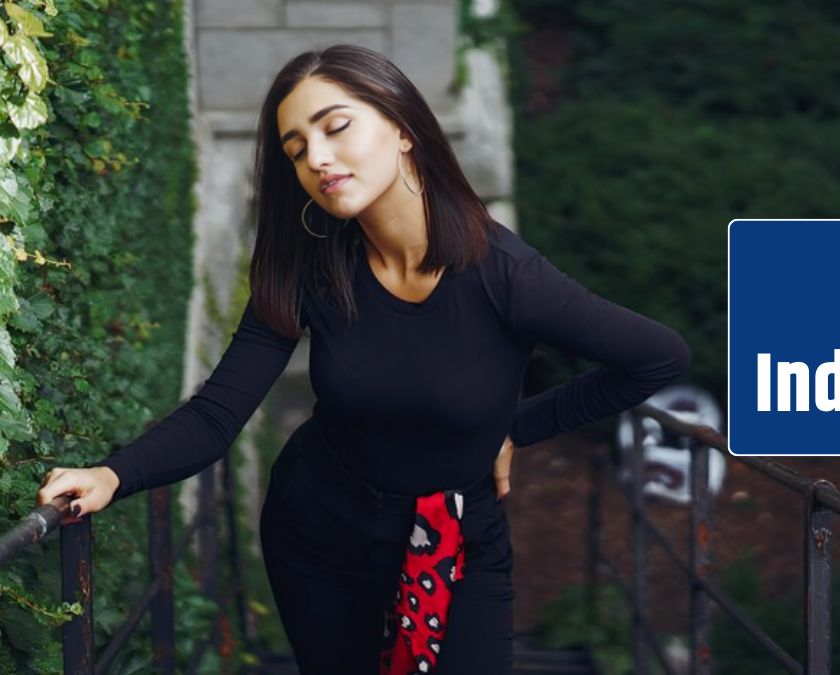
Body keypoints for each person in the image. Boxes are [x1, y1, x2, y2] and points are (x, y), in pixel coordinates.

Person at [34, 44, 691, 674]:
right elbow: (218, 411)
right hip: (319, 530)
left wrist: (513, 428)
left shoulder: (505, 274)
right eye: (297, 149)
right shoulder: (309, 265)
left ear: (404, 127)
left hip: (457, 539)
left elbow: (655, 358)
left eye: (336, 127)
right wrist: (112, 476)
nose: (318, 157)